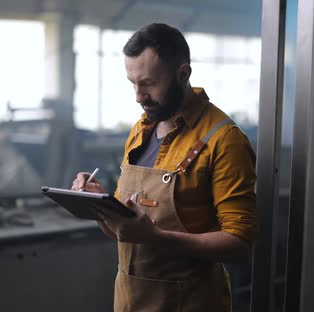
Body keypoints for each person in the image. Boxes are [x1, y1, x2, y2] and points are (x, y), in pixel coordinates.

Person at [71, 23, 257, 312]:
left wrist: (155, 238)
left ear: (183, 74)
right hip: (130, 302)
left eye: (148, 84)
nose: (138, 95)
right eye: (132, 83)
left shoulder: (224, 140)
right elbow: (126, 234)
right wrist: (99, 205)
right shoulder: (140, 131)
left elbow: (240, 244)